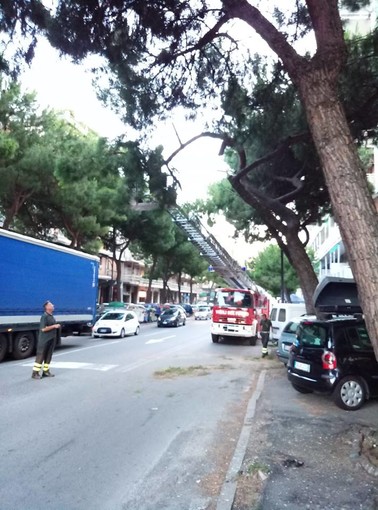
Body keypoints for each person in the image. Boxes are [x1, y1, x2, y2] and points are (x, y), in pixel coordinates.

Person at [31, 301, 61, 379]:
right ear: (47, 307)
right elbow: (43, 329)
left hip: (51, 339)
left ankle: (46, 371)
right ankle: (35, 373)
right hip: (44, 340)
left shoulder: (51, 316)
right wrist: (54, 326)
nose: (53, 305)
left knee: (48, 356)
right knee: (40, 356)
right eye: (51, 304)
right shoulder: (44, 316)